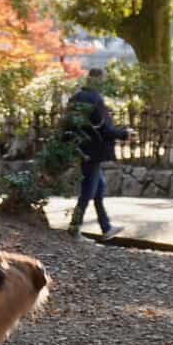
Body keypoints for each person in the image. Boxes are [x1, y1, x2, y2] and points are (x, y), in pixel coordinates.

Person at [65, 67, 125, 240]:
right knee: (87, 191)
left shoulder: (76, 98)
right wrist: (124, 134)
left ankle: (106, 228)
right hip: (94, 151)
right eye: (103, 80)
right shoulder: (95, 99)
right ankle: (74, 227)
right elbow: (105, 128)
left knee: (99, 189)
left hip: (82, 148)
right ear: (98, 80)